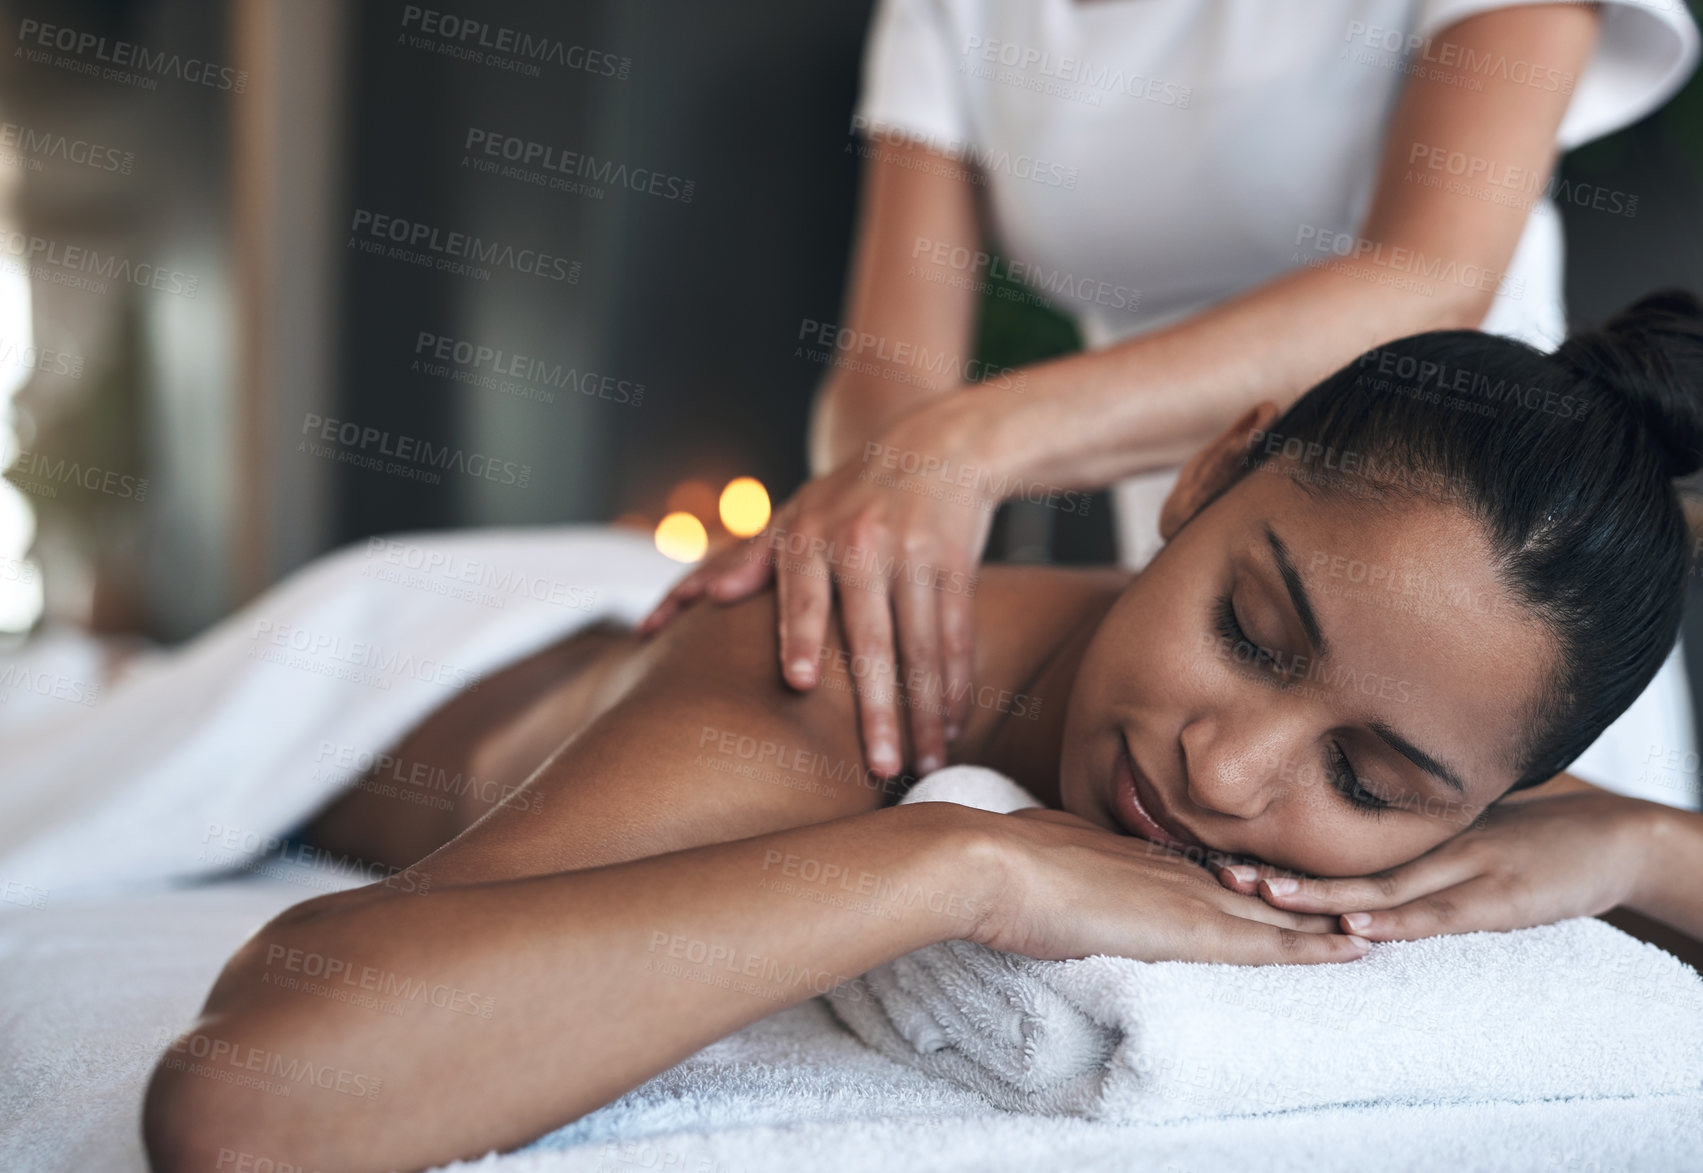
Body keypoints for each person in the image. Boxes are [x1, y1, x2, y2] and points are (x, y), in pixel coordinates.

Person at [145, 294, 1703, 1173]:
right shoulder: (828, 680)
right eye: (1244, 628)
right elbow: (250, 1103)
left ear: (1476, 798)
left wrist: (1631, 838)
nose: (1224, 773)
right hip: (425, 659)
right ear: (1204, 477)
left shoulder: (1437, 723)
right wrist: (960, 866)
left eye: (1362, 781)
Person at [642, 0, 1703, 805]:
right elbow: (887, 372)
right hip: (1181, 595)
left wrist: (969, 444)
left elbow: (1427, 274)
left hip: (1480, 584)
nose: (1229, 773)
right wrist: (874, 571)